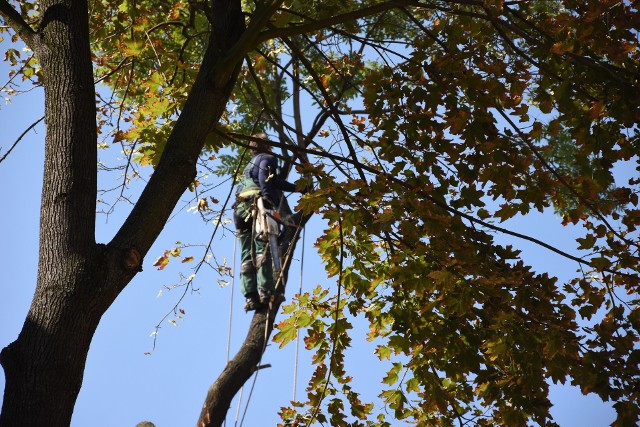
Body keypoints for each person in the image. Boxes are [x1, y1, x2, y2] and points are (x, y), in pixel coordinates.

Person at [233, 136, 303, 311]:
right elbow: (266, 177)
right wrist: (268, 198)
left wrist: (297, 188)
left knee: (246, 254)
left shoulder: (249, 165)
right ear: (269, 146)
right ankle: (266, 292)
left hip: (241, 209)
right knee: (262, 245)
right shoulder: (267, 158)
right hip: (257, 204)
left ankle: (250, 296)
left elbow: (275, 181)